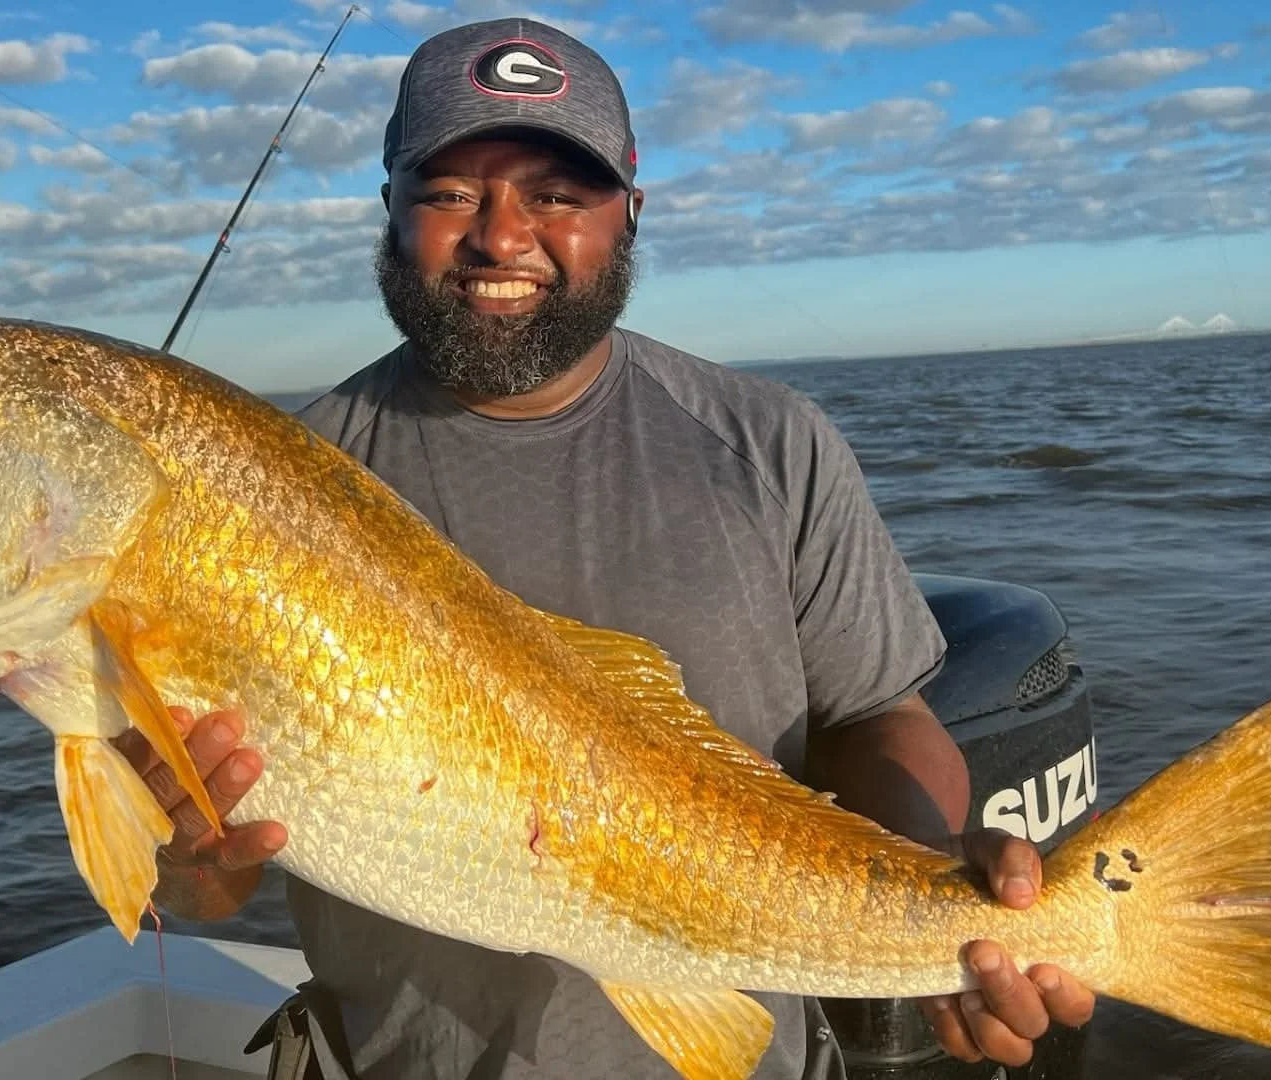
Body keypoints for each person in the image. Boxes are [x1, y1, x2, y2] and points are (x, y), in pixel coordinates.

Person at [117, 16, 1094, 1079]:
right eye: (449, 192)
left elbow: (875, 713)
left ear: (628, 214)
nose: (500, 235)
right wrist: (183, 853)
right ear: (389, 213)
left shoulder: (772, 440)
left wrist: (939, 895)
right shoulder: (265, 487)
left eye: (555, 193)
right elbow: (205, 886)